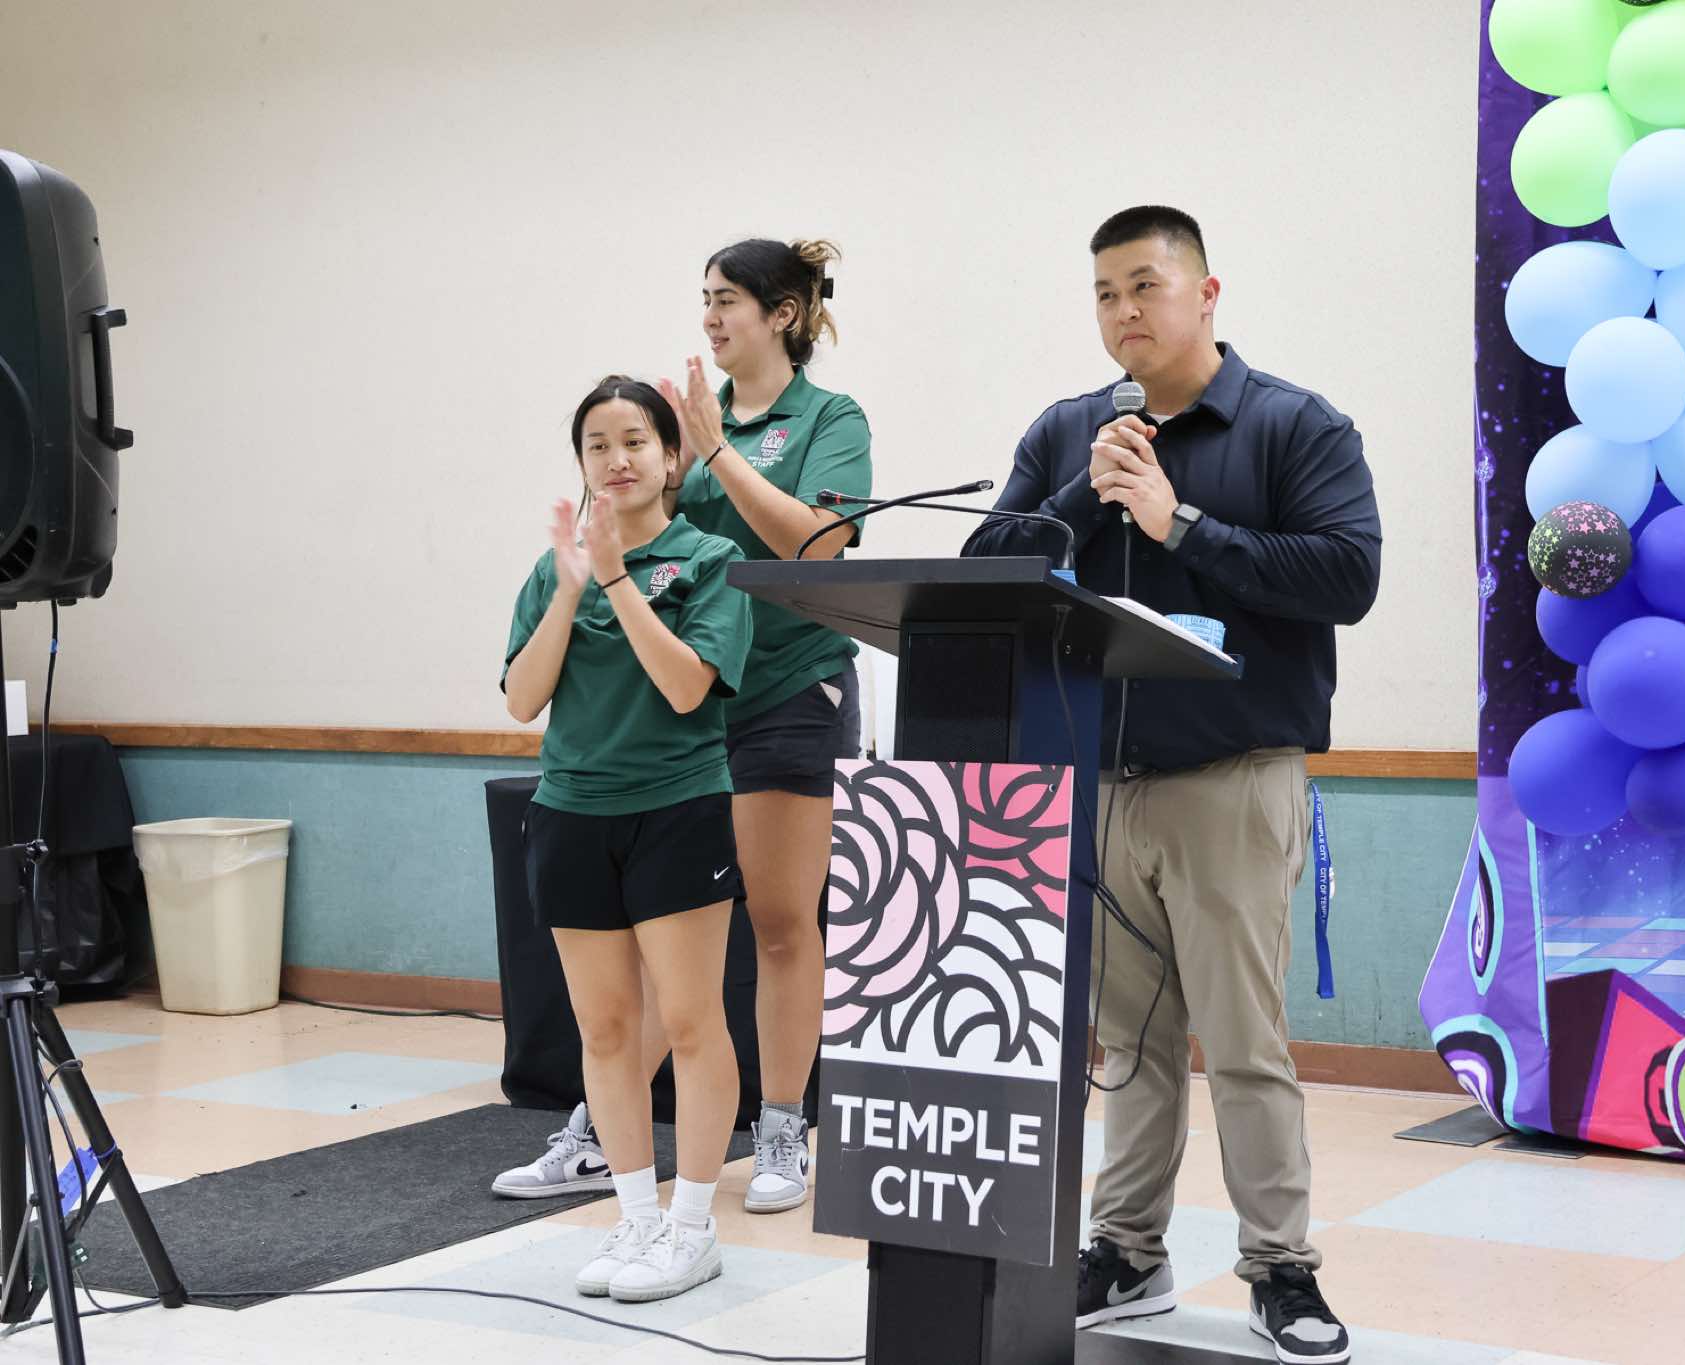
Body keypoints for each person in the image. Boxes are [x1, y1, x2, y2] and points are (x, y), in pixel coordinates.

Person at [961, 206, 1381, 1365]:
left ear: (1205, 293)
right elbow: (982, 568)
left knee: (1243, 1042)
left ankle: (1279, 1266)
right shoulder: (1068, 430)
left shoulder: (1292, 425)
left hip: (1232, 777)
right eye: (1103, 293)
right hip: (1098, 783)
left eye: (1143, 286)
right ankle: (1125, 1251)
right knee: (1127, 1046)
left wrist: (1177, 522)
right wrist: (1078, 502)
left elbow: (1344, 578)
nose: (1122, 312)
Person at [493, 240, 871, 1216]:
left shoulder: (826, 419)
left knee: (779, 922)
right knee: (667, 942)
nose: (709, 317)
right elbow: (629, 530)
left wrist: (716, 453)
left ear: (783, 314)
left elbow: (818, 546)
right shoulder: (676, 421)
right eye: (704, 298)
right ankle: (600, 1128)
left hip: (786, 689)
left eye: (728, 300)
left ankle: (781, 1126)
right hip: (679, 713)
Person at [502, 375, 753, 1302]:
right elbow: (523, 698)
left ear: (671, 456)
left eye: (636, 440)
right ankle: (637, 1217)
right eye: (598, 445)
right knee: (605, 1031)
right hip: (572, 811)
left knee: (688, 1022)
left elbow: (686, 687)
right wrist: (572, 586)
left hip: (677, 810)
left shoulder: (710, 558)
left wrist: (614, 577)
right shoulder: (553, 572)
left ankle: (693, 1226)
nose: (617, 459)